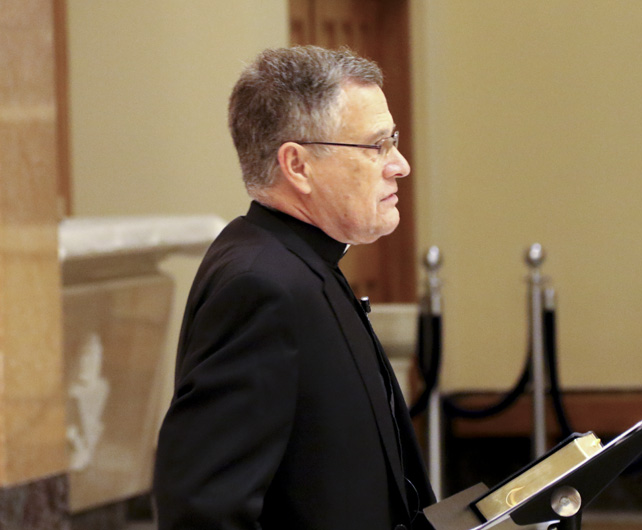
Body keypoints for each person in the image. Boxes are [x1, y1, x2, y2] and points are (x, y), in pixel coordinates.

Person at [153, 45, 436, 530]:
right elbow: (204, 510)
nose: (400, 165)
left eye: (393, 141)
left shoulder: (300, 263)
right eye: (377, 146)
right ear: (298, 166)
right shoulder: (260, 287)